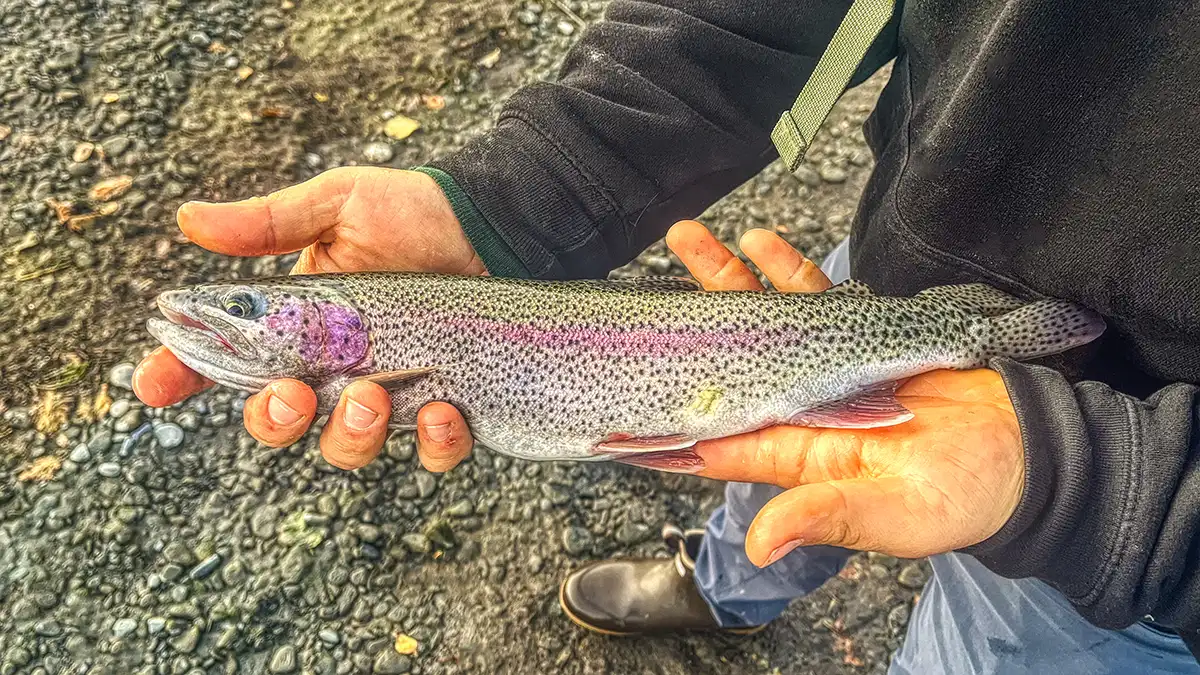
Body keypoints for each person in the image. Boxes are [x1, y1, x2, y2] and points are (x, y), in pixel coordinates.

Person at [133, 1, 1200, 672]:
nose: (238, 316)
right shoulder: (371, 332)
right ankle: (724, 590)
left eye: (252, 309)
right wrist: (502, 203)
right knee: (754, 472)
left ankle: (734, 583)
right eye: (255, 309)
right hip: (872, 290)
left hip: (1121, 540)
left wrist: (1130, 504)